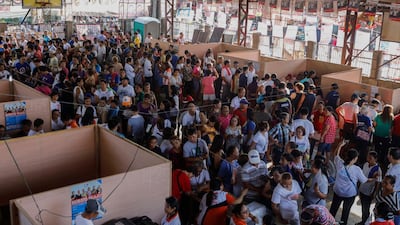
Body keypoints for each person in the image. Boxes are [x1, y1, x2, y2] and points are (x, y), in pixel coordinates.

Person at [329, 141, 370, 225]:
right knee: (345, 212)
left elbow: (336, 154)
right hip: (349, 194)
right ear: (355, 158)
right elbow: (365, 180)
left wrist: (340, 145)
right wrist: (374, 178)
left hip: (337, 192)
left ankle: (329, 222)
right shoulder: (356, 169)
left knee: (333, 210)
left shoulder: (339, 163)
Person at [357, 151, 382, 225]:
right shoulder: (365, 164)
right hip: (362, 189)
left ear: (375, 159)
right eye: (368, 157)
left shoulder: (378, 169)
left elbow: (378, 183)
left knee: (366, 208)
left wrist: (374, 193)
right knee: (363, 207)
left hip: (369, 192)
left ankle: (365, 222)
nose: (368, 159)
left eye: (370, 158)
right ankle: (363, 221)